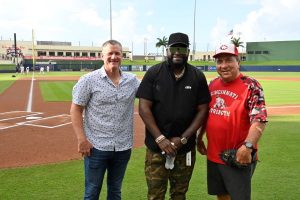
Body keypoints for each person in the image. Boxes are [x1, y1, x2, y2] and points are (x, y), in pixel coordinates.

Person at [136, 32, 211, 200]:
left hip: (184, 150)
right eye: (174, 48)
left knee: (179, 195)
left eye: (182, 49)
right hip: (156, 149)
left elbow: (202, 110)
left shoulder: (197, 76)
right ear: (167, 50)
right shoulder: (154, 73)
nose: (178, 52)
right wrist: (160, 138)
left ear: (188, 52)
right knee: (155, 195)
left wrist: (184, 138)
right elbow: (144, 108)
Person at [70, 39, 140, 200]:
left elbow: (153, 93)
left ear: (122, 56)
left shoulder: (132, 81)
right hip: (96, 147)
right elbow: (76, 109)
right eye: (110, 53)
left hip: (123, 147)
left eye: (117, 53)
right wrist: (81, 139)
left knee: (115, 191)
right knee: (92, 192)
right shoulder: (88, 80)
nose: (114, 57)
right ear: (102, 56)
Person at [197, 43, 268, 200]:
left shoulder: (251, 85)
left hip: (237, 155)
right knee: (221, 195)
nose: (224, 65)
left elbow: (259, 118)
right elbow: (207, 114)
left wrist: (248, 147)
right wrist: (199, 136)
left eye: (228, 60)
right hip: (214, 154)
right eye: (219, 61)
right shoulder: (213, 84)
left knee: (238, 197)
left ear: (238, 62)